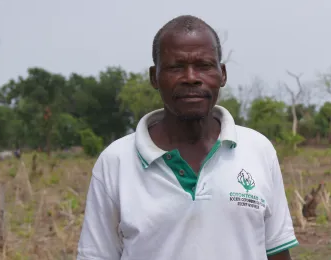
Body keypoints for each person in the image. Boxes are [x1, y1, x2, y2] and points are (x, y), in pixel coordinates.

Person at [77, 14, 298, 260]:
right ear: (154, 77)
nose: (191, 77)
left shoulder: (258, 150)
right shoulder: (116, 162)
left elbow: (277, 250)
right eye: (175, 67)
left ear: (222, 74)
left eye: (204, 66)